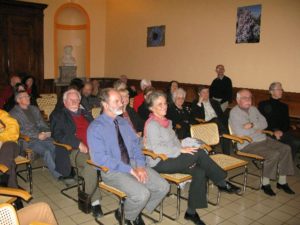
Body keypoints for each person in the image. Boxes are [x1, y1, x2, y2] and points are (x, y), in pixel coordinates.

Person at [144, 90, 240, 225]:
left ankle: (191, 212)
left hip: (173, 157)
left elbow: (175, 141)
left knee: (199, 171)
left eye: (165, 103)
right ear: (151, 108)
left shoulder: (166, 122)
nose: (164, 106)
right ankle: (222, 182)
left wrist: (182, 149)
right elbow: (156, 149)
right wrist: (180, 150)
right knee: (199, 153)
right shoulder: (152, 124)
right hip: (159, 162)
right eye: (159, 105)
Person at [87, 88, 169, 225]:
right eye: (117, 101)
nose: (122, 103)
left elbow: (136, 145)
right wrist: (130, 170)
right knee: (142, 194)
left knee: (163, 187)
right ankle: (129, 215)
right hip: (112, 170)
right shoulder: (96, 127)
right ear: (106, 105)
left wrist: (140, 166)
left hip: (133, 163)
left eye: (121, 99)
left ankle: (130, 210)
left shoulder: (123, 123)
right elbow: (100, 158)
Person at [229, 89, 295, 196]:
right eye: (245, 98)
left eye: (250, 97)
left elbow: (264, 123)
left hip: (262, 138)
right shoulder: (234, 113)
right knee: (273, 154)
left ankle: (282, 182)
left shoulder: (254, 109)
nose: (248, 100)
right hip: (247, 143)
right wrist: (256, 128)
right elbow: (240, 133)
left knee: (286, 148)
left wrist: (252, 125)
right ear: (238, 100)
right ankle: (265, 184)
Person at [50, 89, 103, 218]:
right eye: (71, 100)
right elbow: (57, 135)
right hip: (73, 151)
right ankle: (94, 202)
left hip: (95, 149)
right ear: (64, 102)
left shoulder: (86, 113)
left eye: (77, 99)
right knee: (91, 166)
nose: (75, 102)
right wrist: (77, 143)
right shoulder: (58, 115)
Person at [10, 90, 62, 179]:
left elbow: (42, 123)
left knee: (56, 147)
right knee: (47, 152)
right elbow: (18, 130)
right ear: (18, 100)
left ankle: (59, 169)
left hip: (42, 136)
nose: (28, 98)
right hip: (28, 140)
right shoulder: (13, 113)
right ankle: (59, 175)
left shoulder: (34, 108)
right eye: (25, 97)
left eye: (28, 96)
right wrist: (37, 135)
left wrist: (46, 131)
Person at [258, 82, 300, 160]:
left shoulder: (284, 106)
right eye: (279, 89)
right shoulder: (263, 104)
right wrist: (274, 131)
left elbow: (286, 123)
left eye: (281, 89)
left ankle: (287, 163)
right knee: (280, 144)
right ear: (271, 92)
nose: (281, 91)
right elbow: (261, 122)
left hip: (282, 132)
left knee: (296, 142)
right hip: (268, 132)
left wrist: (281, 131)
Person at [191, 85, 233, 155]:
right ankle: (224, 134)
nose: (206, 94)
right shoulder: (196, 103)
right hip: (205, 124)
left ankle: (227, 154)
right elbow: (194, 116)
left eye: (207, 92)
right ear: (199, 94)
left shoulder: (214, 102)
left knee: (223, 122)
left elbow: (221, 115)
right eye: (203, 92)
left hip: (217, 124)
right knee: (221, 127)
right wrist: (199, 103)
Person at [0, 109, 19, 187]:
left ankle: (2, 175)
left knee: (8, 147)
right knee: (10, 163)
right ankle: (12, 191)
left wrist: (1, 139)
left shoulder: (2, 114)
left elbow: (13, 130)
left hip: (9, 145)